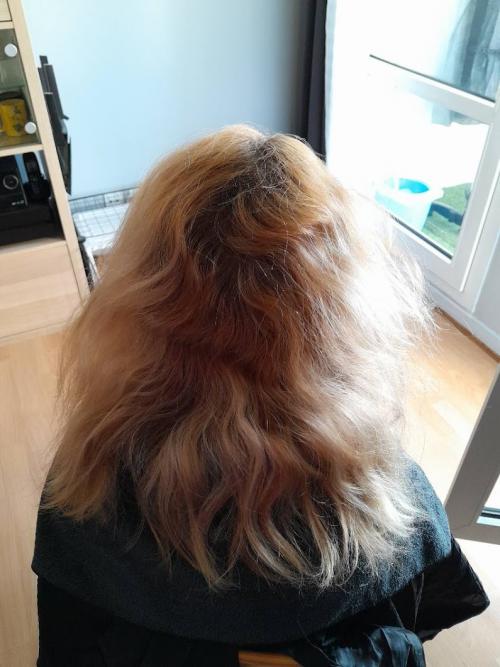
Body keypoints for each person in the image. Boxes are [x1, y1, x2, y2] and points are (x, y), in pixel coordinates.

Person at [33, 125, 488, 666]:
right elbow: (420, 614)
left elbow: (67, 649)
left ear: (143, 300)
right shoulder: (390, 490)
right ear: (340, 312)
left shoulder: (83, 491)